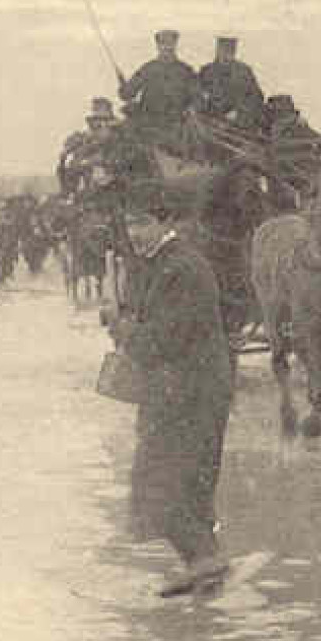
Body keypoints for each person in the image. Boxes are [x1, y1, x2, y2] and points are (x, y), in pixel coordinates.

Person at [114, 177, 232, 597]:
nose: (134, 233)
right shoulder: (159, 264)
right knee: (178, 482)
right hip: (174, 392)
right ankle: (205, 565)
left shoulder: (182, 267)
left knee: (165, 482)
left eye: (142, 223)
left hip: (191, 394)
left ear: (165, 223)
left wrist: (124, 330)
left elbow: (162, 340)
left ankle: (205, 561)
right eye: (129, 224)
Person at [117, 29, 199, 152]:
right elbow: (127, 94)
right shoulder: (148, 69)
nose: (167, 48)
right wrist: (124, 86)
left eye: (170, 44)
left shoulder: (185, 71)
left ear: (175, 46)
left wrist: (192, 109)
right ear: (158, 46)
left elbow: (197, 97)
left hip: (176, 126)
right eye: (164, 44)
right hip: (148, 126)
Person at [197, 36, 264, 127]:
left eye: (230, 50)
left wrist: (238, 112)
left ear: (234, 51)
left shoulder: (244, 72)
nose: (226, 54)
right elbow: (196, 95)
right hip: (210, 122)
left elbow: (256, 97)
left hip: (238, 124)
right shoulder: (206, 71)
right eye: (223, 49)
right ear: (217, 49)